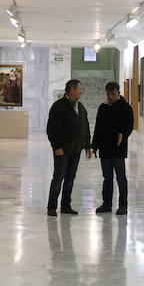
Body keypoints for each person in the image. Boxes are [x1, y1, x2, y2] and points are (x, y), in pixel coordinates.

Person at [46, 79, 92, 216]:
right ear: (72, 90)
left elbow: (85, 126)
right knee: (58, 178)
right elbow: (51, 130)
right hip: (63, 150)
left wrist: (87, 145)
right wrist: (57, 146)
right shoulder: (58, 107)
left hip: (76, 149)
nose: (81, 91)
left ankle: (66, 205)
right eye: (79, 89)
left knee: (70, 178)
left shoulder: (80, 106)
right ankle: (52, 207)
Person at [91, 82, 134, 215]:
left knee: (121, 178)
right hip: (105, 149)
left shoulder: (125, 107)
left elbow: (129, 125)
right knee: (107, 178)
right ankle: (106, 204)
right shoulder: (103, 108)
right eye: (108, 94)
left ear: (118, 93)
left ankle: (123, 206)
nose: (110, 96)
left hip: (118, 149)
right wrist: (94, 146)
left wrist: (123, 134)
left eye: (113, 94)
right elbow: (98, 127)